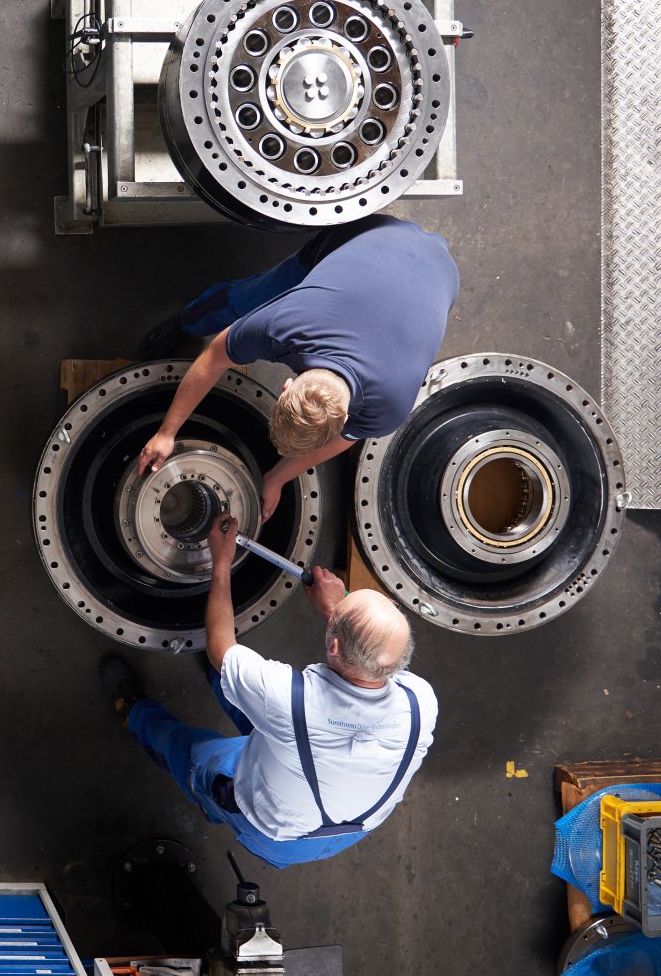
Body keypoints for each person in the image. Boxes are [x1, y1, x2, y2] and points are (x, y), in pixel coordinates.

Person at [99, 514, 438, 868]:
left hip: (274, 829)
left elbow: (220, 647)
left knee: (189, 752)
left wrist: (221, 563)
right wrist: (338, 613)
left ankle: (136, 714)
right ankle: (225, 682)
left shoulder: (290, 700)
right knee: (269, 714)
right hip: (347, 828)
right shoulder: (421, 703)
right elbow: (370, 657)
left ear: (335, 645)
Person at [136, 215, 457, 519]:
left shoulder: (390, 406)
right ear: (287, 388)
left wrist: (277, 478)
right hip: (372, 235)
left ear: (286, 386)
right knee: (248, 299)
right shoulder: (283, 324)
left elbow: (344, 439)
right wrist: (167, 432)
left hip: (439, 271)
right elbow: (213, 357)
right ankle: (186, 322)